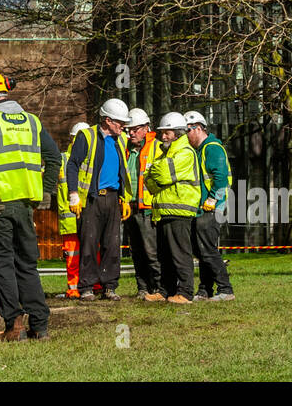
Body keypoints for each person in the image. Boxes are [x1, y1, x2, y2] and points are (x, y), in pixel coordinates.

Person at [0, 70, 61, 340]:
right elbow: (54, 158)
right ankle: (40, 326)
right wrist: (47, 191)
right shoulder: (32, 122)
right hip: (25, 208)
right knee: (26, 265)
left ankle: (14, 324)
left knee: (1, 265)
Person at [67, 98, 132, 300]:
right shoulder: (86, 137)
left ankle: (109, 286)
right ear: (107, 120)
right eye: (119, 122)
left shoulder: (121, 140)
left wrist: (125, 198)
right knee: (89, 244)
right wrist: (74, 195)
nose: (123, 126)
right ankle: (86, 287)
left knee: (111, 245)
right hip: (92, 200)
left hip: (113, 199)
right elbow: (72, 165)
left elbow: (123, 171)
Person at [144, 112, 201, 304]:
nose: (163, 136)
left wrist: (154, 169)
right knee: (164, 255)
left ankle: (185, 293)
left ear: (177, 132)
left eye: (167, 132)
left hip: (180, 210)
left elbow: (161, 174)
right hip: (164, 210)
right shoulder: (167, 153)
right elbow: (150, 181)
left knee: (180, 254)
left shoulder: (185, 152)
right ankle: (165, 290)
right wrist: (154, 171)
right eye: (162, 132)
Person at [186, 110, 235, 301]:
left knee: (207, 250)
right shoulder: (201, 149)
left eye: (187, 131)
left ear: (197, 128)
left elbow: (222, 178)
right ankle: (205, 290)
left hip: (212, 209)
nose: (185, 136)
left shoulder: (212, 148)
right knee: (202, 250)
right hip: (203, 208)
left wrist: (213, 200)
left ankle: (225, 289)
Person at [123, 108, 163, 300]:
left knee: (151, 251)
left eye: (135, 129)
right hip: (129, 207)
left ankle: (158, 288)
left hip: (148, 209)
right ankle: (142, 288)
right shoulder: (125, 149)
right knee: (136, 251)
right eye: (128, 129)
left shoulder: (158, 147)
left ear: (146, 128)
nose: (130, 133)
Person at [57, 122, 88, 299]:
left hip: (88, 215)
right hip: (69, 219)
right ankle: (74, 288)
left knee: (92, 252)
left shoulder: (90, 158)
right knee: (73, 255)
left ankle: (94, 285)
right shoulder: (62, 159)